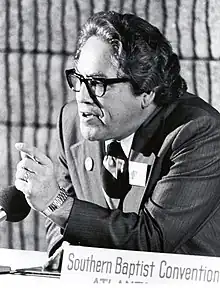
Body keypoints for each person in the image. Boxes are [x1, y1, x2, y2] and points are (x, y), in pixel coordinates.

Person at [15, 11, 220, 260]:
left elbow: (151, 240)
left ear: (147, 91)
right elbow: (61, 225)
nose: (82, 96)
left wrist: (56, 202)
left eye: (98, 84)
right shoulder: (71, 122)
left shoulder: (197, 132)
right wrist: (62, 255)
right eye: (78, 79)